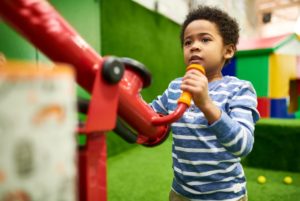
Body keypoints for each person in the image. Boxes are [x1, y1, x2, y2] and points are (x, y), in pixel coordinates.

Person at [150, 5, 260, 201]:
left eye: (205, 39)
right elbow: (149, 116)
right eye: (187, 42)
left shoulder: (239, 89)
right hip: (181, 193)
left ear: (228, 51)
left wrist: (206, 103)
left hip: (225, 196)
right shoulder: (176, 87)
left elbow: (243, 145)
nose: (194, 46)